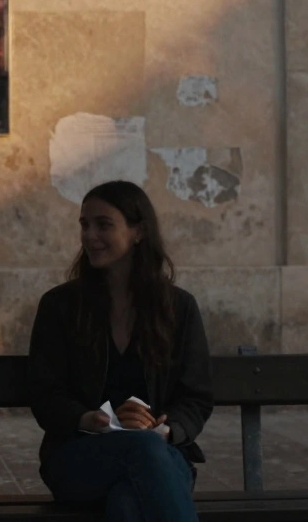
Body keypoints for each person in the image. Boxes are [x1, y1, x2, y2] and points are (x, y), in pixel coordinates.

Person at [28, 180, 213, 522]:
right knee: (144, 454)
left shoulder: (178, 308)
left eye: (103, 224)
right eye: (84, 224)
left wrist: (165, 429)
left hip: (162, 453)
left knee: (129, 500)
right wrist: (89, 420)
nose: (89, 236)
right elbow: (44, 393)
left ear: (138, 232)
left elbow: (196, 398)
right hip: (78, 457)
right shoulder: (60, 306)